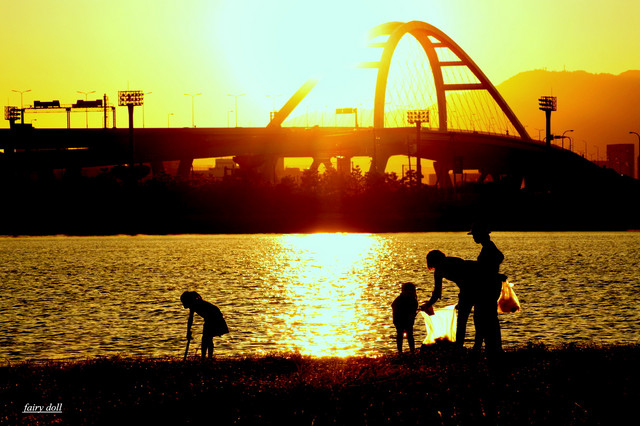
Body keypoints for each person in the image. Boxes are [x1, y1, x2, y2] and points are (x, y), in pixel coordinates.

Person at [420, 250, 479, 348]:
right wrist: (429, 304)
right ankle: (469, 345)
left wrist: (428, 304)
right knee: (473, 319)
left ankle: (463, 345)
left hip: (476, 287)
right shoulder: (449, 263)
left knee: (467, 320)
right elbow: (437, 292)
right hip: (469, 289)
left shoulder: (446, 266)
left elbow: (438, 293)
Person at [468, 223, 505, 355]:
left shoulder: (488, 247)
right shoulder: (488, 246)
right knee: (488, 317)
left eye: (474, 235)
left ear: (480, 235)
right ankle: (492, 347)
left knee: (483, 318)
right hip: (490, 286)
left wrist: (491, 273)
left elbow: (497, 259)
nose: (474, 238)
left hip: (488, 287)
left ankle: (488, 348)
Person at [181, 291, 229, 359]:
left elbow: (191, 319)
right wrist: (188, 331)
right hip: (210, 318)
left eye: (183, 302)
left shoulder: (195, 304)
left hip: (214, 316)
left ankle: (206, 357)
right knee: (207, 338)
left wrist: (188, 331)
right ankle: (206, 357)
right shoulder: (194, 304)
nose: (183, 304)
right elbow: (190, 319)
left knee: (206, 338)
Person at [391, 282, 419, 353]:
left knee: (409, 334)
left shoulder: (413, 300)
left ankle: (412, 350)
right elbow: (394, 306)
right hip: (399, 319)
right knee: (400, 334)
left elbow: (414, 308)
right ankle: (400, 351)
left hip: (408, 319)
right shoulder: (399, 300)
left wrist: (413, 313)